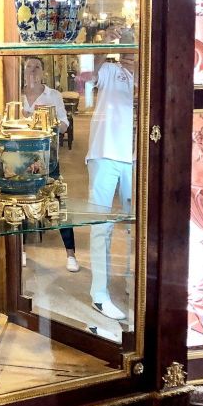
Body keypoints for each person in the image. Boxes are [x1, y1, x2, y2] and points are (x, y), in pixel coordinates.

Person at [86, 51, 135, 320]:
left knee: (134, 226)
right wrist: (103, 47)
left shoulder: (143, 71)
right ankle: (99, 294)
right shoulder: (107, 69)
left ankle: (131, 281)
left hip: (134, 156)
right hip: (104, 152)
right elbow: (87, 75)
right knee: (99, 225)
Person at [21, 56, 79, 272]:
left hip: (47, 158)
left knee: (59, 202)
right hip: (20, 159)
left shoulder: (52, 95)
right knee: (19, 203)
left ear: (43, 72)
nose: (33, 71)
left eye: (37, 67)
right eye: (29, 67)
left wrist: (43, 122)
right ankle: (21, 250)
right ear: (24, 71)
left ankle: (71, 253)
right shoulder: (15, 94)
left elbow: (64, 124)